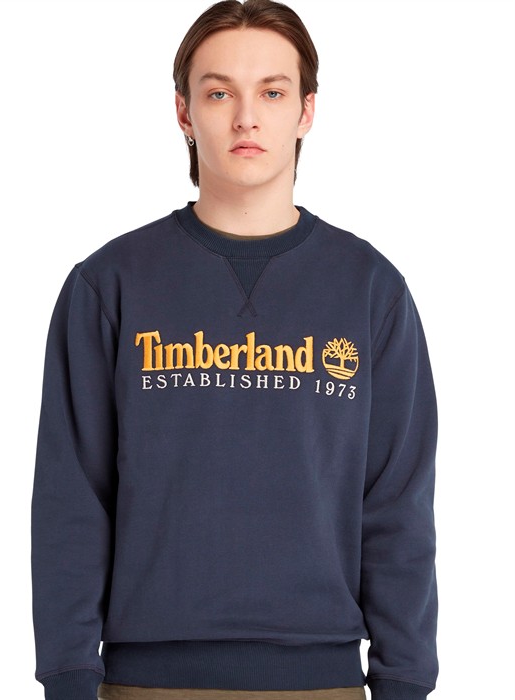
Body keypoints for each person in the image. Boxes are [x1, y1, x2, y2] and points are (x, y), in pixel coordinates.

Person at [31, 1, 439, 699]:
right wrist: (69, 677)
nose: (246, 118)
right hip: (144, 682)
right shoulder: (109, 285)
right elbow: (72, 498)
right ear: (184, 112)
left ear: (306, 111)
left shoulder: (371, 290)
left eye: (272, 93)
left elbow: (398, 504)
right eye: (219, 93)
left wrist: (404, 679)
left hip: (321, 682)